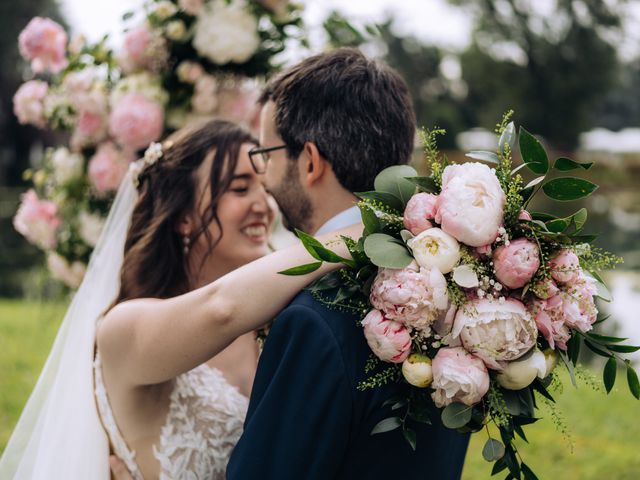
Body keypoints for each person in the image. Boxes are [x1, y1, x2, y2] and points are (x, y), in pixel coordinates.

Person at [0, 119, 359, 479]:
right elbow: (222, 309)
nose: (263, 205)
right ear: (184, 217)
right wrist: (360, 233)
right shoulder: (122, 329)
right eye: (239, 188)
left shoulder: (285, 317)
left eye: (262, 187)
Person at [225, 48, 470, 479]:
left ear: (311, 162)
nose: (262, 176)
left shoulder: (314, 317)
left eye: (267, 154)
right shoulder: (457, 289)